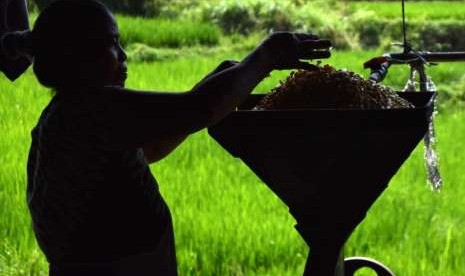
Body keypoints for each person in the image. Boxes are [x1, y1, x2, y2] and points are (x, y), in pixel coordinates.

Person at [0, 0, 331, 275]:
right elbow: (199, 108)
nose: (124, 55)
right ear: (76, 56)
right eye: (112, 43)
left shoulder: (67, 113)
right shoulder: (90, 109)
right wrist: (266, 55)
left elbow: (152, 147)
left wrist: (218, 80)